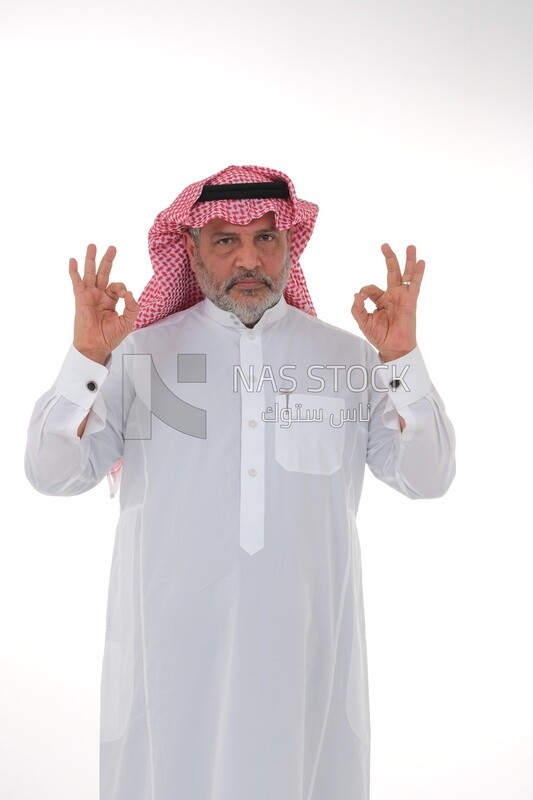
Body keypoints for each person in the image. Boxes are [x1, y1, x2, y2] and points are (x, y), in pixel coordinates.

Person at [25, 164, 455, 800]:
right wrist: (88, 360)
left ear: (290, 246)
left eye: (266, 238)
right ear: (192, 251)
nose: (249, 258)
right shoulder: (140, 356)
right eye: (226, 240)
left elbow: (430, 476)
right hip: (170, 662)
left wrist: (403, 361)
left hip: (305, 661)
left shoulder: (347, 359)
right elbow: (50, 472)